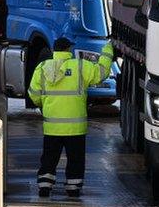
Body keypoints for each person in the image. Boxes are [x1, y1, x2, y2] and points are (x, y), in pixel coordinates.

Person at [28, 37, 114, 198]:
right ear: (68, 50)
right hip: (76, 128)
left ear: (55, 51)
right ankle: (73, 188)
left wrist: (46, 105)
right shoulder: (80, 66)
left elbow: (33, 94)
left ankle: (45, 186)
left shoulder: (42, 68)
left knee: (49, 157)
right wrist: (108, 51)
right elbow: (101, 73)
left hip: (52, 127)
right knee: (75, 159)